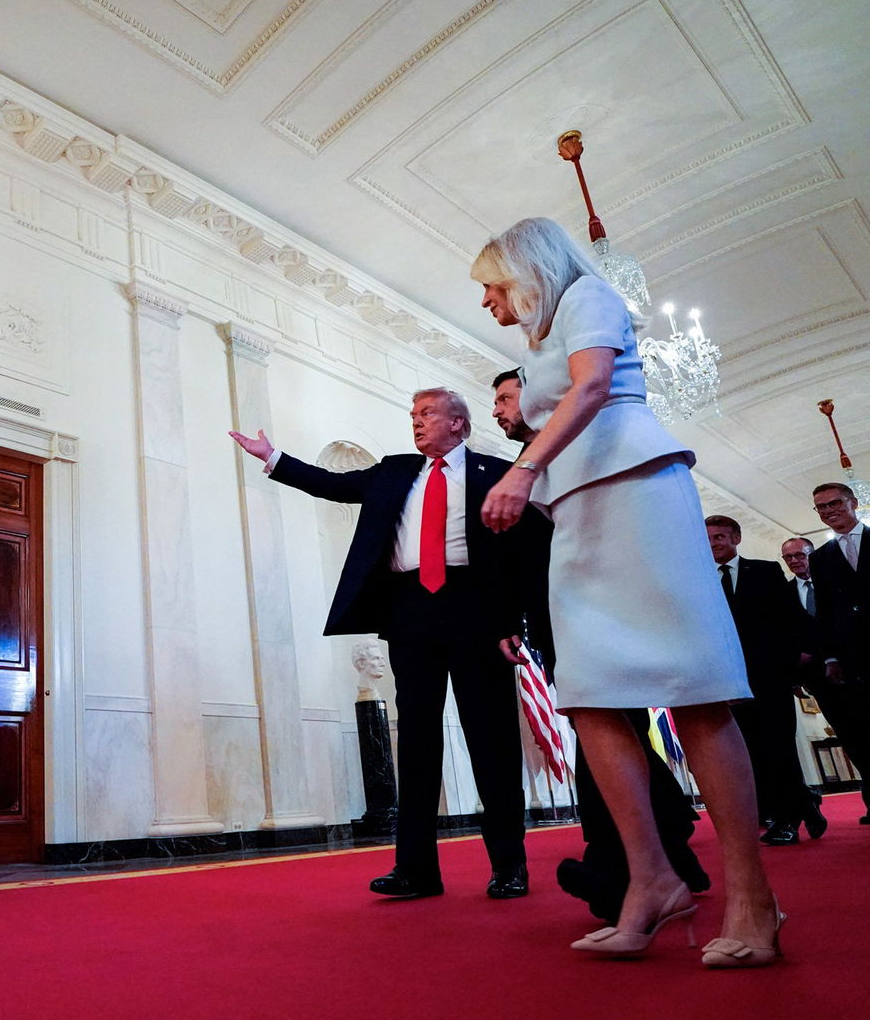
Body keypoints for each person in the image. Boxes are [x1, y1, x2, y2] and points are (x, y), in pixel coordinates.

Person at [474, 216, 781, 967]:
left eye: (492, 285)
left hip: (637, 491)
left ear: (527, 271)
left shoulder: (589, 296)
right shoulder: (538, 340)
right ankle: (652, 880)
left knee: (695, 688)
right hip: (576, 512)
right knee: (588, 695)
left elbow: (593, 388)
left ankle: (752, 896)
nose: (486, 301)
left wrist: (521, 470)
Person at [229, 389, 529, 901]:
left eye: (427, 413)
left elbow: (518, 553)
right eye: (413, 415)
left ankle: (508, 866)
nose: (416, 422)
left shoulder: (497, 473)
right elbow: (332, 484)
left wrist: (513, 620)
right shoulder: (395, 470)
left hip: (476, 611)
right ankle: (415, 870)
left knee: (492, 739)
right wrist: (272, 456)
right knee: (415, 743)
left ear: (458, 423)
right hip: (410, 612)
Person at [492, 369, 708, 922]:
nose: (497, 410)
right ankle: (672, 851)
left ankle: (616, 867)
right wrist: (512, 618)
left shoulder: (577, 453)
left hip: (602, 611)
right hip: (556, 622)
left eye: (506, 398)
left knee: (604, 729)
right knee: (609, 729)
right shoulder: (521, 470)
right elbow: (516, 561)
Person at [705, 515, 822, 844]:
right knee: (752, 750)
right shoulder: (698, 580)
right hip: (729, 682)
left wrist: (794, 662)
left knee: (778, 745)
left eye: (719, 537)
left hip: (770, 677)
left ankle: (787, 821)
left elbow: (789, 619)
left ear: (736, 538)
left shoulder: (765, 571)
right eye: (708, 539)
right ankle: (804, 802)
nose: (713, 544)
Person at [783, 535, 870, 822]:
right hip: (819, 679)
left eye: (800, 554)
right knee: (850, 735)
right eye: (789, 557)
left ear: (813, 555)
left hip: (853, 669)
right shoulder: (785, 593)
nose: (795, 560)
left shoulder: (833, 583)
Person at [808, 483, 870, 823]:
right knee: (863, 730)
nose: (829, 511)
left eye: (834, 503)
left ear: (853, 502)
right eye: (821, 507)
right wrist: (831, 657)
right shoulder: (820, 558)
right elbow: (826, 611)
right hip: (853, 658)